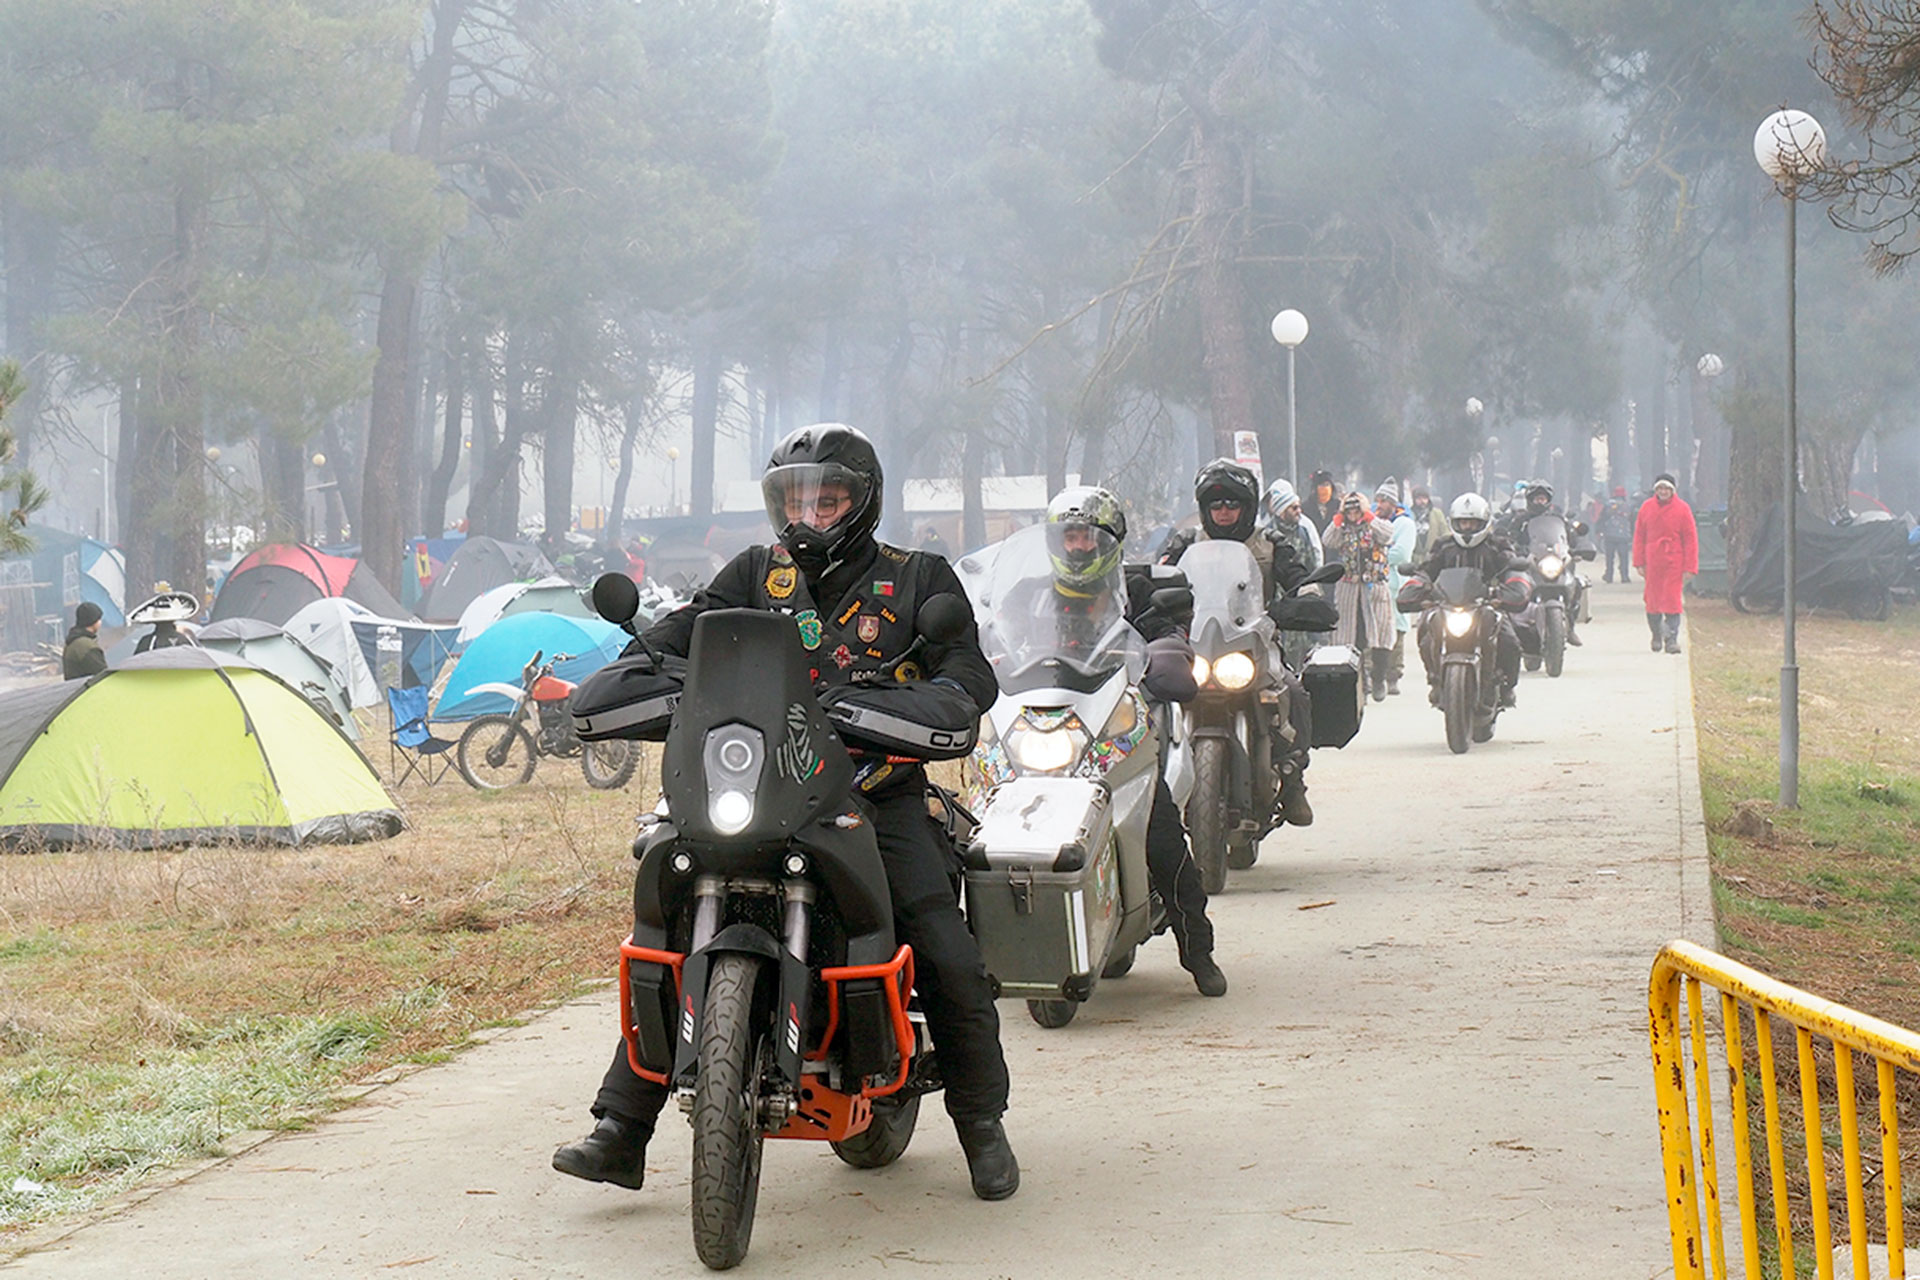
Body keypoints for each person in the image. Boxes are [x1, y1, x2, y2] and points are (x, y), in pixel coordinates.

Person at [552, 423, 1020, 1202]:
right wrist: (635, 677)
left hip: (874, 796)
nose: (809, 516)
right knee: (669, 929)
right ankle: (622, 1130)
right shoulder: (752, 574)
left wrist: (910, 704)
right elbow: (672, 643)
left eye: (826, 501)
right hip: (757, 792)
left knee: (945, 948)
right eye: (795, 502)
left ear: (862, 502)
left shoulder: (918, 579)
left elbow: (968, 677)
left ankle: (981, 1126)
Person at [1042, 487, 1227, 996]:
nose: (1079, 546)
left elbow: (1169, 638)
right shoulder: (1030, 596)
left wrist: (1168, 654)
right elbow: (992, 641)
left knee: (1160, 833)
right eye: (1070, 536)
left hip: (1114, 737)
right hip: (1046, 732)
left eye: (1089, 537)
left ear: (1111, 542)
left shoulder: (1136, 592)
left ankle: (1198, 951)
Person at [1159, 460, 1315, 826]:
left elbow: (1299, 579)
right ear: (1205, 508)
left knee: (1294, 691)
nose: (1224, 511)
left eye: (1233, 504)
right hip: (1197, 644)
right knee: (1155, 699)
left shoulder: (1270, 543)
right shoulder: (1186, 543)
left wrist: (1307, 598)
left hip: (1256, 644)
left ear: (1247, 507)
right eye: (1216, 505)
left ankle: (1294, 780)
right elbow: (1158, 576)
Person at [1404, 493, 1528, 707]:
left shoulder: (1497, 545)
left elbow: (1511, 569)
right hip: (1448, 606)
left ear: (1484, 522)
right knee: (1425, 633)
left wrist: (1511, 589)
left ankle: (1507, 687)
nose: (1467, 527)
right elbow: (1427, 570)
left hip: (1487, 605)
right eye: (1463, 522)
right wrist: (1417, 587)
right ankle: (1435, 679)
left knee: (1510, 642)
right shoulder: (1443, 545)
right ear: (1454, 522)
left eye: (1472, 523)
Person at [1322, 488, 1396, 700]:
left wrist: (1368, 515)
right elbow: (1328, 540)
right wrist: (1338, 517)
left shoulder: (1377, 524)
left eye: (1357, 510)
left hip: (1374, 587)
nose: (1353, 514)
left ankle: (1379, 676)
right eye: (1350, 511)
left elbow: (1387, 535)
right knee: (1350, 637)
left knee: (1381, 634)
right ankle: (1359, 680)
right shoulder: (1342, 529)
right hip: (1349, 588)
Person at [1632, 473, 1698, 654]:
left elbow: (1690, 539)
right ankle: (1656, 634)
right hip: (1652, 561)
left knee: (1672, 600)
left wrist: (1690, 566)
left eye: (1666, 488)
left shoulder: (1683, 509)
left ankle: (1672, 640)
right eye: (1660, 488)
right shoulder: (1646, 508)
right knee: (1652, 600)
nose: (1663, 492)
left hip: (1674, 561)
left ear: (1672, 490)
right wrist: (1639, 562)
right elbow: (1639, 536)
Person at [1374, 481, 1418, 697]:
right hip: (1375, 585)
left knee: (1396, 632)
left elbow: (1401, 554)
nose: (1379, 505)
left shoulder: (1405, 524)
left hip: (1395, 584)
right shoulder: (1374, 523)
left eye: (1383, 501)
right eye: (1378, 500)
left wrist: (1377, 556)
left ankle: (1393, 675)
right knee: (1375, 631)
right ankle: (1374, 675)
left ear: (1393, 503)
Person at [1263, 478, 1323, 573]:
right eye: (1294, 508)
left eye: (1299, 507)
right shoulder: (1267, 533)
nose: (1299, 511)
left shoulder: (1304, 528)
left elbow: (1315, 556)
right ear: (1282, 512)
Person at [62, 602, 107, 680]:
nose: (100, 622)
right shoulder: (87, 647)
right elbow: (102, 674)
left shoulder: (74, 640)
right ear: (93, 621)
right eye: (99, 619)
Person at [1599, 485, 1634, 583]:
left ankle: (1609, 576)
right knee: (1623, 558)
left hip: (1609, 535)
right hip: (1624, 536)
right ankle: (1624, 576)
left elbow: (1602, 518)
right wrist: (1632, 533)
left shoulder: (1608, 505)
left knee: (1610, 558)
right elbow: (1632, 520)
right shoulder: (1628, 506)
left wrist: (1599, 531)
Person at [1409, 485, 1449, 561]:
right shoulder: (1410, 515)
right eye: (1419, 498)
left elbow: (1445, 534)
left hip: (1434, 559)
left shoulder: (1437, 514)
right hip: (1414, 560)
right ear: (1414, 500)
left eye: (1425, 498)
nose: (1422, 501)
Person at [1303, 468, 1342, 535]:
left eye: (1327, 485)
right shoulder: (1306, 507)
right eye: (1321, 485)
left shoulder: (1338, 505)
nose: (1325, 488)